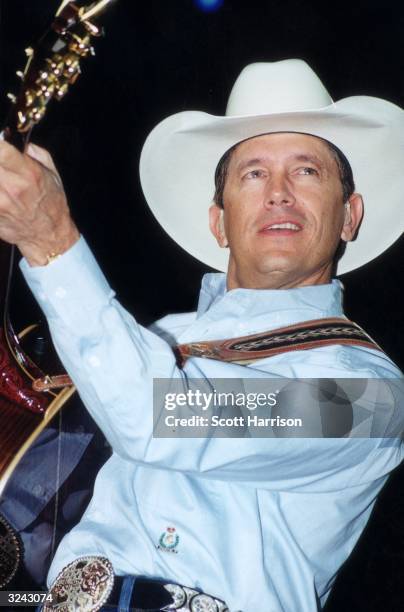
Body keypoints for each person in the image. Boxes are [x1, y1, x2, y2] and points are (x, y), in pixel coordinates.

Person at [0, 59, 403, 611]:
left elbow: (164, 415)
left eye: (307, 171)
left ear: (348, 217)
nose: (279, 193)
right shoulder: (155, 339)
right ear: (218, 220)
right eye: (253, 173)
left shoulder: (371, 398)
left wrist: (50, 241)